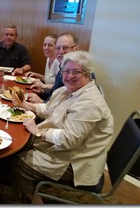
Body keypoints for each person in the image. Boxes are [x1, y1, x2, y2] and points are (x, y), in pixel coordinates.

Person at [7, 50, 113, 203]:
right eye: (66, 71)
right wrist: (25, 105)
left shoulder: (89, 103)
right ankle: (19, 191)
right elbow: (48, 109)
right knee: (19, 144)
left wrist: (38, 132)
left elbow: (69, 139)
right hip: (68, 150)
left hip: (76, 162)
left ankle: (35, 201)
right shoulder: (67, 90)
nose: (70, 76)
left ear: (88, 74)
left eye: (76, 72)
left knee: (20, 163)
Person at [27, 32, 80, 103]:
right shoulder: (63, 66)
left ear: (76, 49)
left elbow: (66, 104)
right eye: (58, 48)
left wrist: (42, 102)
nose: (61, 51)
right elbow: (56, 91)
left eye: (66, 48)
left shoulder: (79, 71)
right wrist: (42, 92)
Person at [24, 34, 60, 102]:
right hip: (45, 92)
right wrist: (36, 75)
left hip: (53, 97)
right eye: (45, 44)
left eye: (50, 45)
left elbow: (59, 87)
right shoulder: (48, 58)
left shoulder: (58, 62)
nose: (46, 48)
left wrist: (43, 86)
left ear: (56, 47)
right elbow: (50, 79)